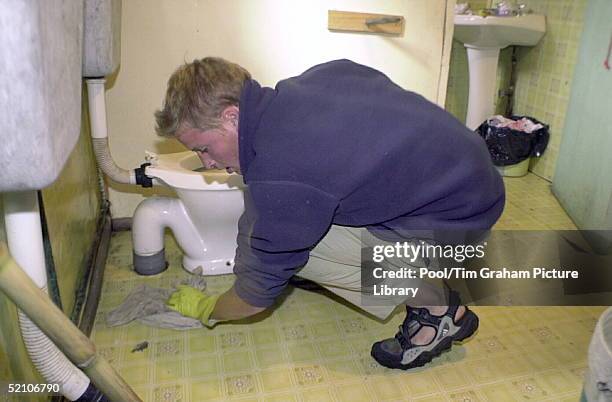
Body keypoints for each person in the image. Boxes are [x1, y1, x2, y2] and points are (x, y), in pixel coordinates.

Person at [156, 57, 505, 370]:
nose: (208, 163)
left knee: (303, 254)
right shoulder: (308, 84)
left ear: (231, 117)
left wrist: (210, 310)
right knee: (289, 227)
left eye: (203, 148)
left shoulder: (284, 169)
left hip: (460, 222)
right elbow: (264, 206)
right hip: (474, 181)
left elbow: (254, 298)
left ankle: (438, 311)